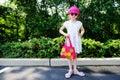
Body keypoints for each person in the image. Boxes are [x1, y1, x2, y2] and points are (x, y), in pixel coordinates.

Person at [59, 6, 85, 78]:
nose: (73, 15)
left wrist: (81, 34)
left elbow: (83, 30)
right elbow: (60, 30)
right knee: (69, 56)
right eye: (72, 14)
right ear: (69, 14)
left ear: (77, 15)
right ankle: (70, 70)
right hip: (69, 41)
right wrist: (65, 34)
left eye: (75, 14)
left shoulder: (79, 23)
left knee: (75, 55)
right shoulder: (66, 23)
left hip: (76, 41)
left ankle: (75, 70)